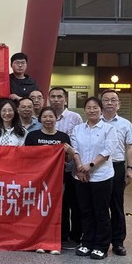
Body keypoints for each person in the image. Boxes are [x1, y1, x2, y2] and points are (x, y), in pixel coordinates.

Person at [25, 107, 75, 255]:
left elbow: (68, 160)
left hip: (57, 180)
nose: (48, 119)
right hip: (37, 180)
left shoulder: (63, 137)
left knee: (58, 209)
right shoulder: (32, 136)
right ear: (40, 119)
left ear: (56, 118)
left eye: (51, 116)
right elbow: (26, 157)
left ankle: (58, 239)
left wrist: (71, 153)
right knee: (38, 209)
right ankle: (39, 239)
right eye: (45, 117)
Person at [70, 97, 116, 260]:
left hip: (101, 176)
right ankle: (87, 242)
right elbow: (74, 149)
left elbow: (108, 150)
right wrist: (80, 167)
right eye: (89, 107)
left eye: (95, 107)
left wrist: (89, 166)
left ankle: (101, 246)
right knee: (85, 210)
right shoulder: (78, 129)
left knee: (101, 211)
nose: (92, 110)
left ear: (101, 110)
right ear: (84, 110)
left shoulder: (108, 129)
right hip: (81, 176)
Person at [101, 89, 132, 256]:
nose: (109, 103)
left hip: (116, 166)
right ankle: (100, 240)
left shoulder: (125, 124)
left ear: (119, 104)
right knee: (99, 206)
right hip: (99, 167)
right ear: (101, 103)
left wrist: (130, 168)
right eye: (106, 100)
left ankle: (118, 242)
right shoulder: (94, 122)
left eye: (113, 100)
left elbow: (130, 147)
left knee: (116, 205)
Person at [50, 86, 84, 248]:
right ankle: (61, 235)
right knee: (59, 204)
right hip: (51, 171)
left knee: (74, 203)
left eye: (59, 96)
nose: (56, 99)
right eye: (53, 96)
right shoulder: (46, 115)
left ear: (65, 99)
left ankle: (76, 236)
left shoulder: (75, 117)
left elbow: (80, 142)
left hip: (71, 168)